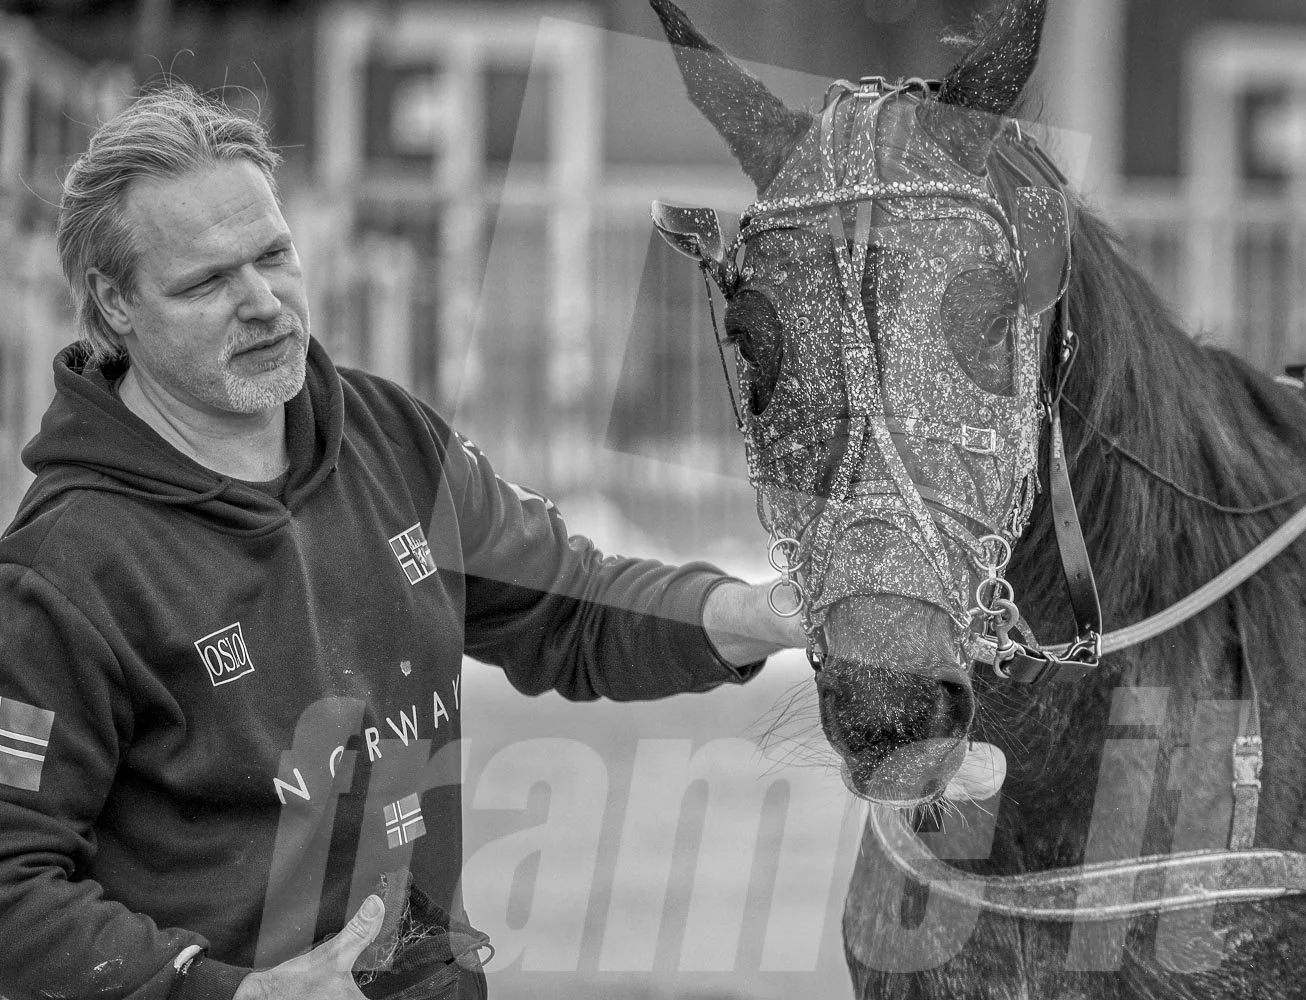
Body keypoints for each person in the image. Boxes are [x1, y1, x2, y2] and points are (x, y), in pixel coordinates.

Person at [0, 83, 801, 1000]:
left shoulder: (390, 437)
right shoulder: (63, 571)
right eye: (206, 281)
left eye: (273, 254)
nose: (261, 302)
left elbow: (567, 605)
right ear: (114, 303)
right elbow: (10, 885)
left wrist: (747, 613)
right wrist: (227, 993)